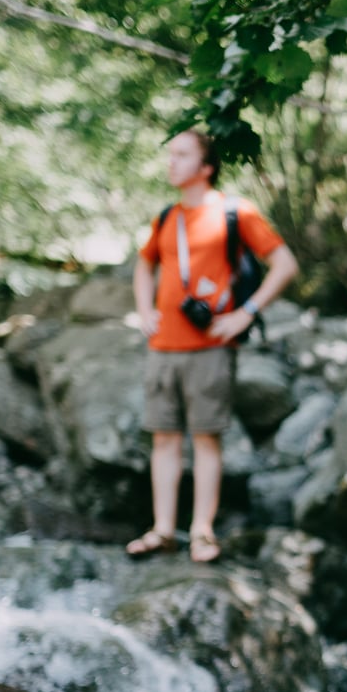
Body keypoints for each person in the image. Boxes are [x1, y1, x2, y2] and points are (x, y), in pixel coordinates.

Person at [125, 129, 299, 564]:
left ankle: (202, 531)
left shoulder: (235, 212)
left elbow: (285, 264)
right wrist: (144, 310)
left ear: (206, 167)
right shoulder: (166, 218)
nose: (171, 162)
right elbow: (144, 266)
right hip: (163, 348)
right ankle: (163, 530)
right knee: (164, 440)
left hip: (210, 348)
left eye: (182, 155)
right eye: (170, 155)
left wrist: (246, 313)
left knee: (205, 441)